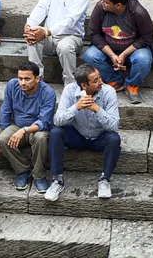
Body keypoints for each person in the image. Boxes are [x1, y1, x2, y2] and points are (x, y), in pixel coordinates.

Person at [46, 64, 120, 202]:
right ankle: (57, 180)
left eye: (99, 78)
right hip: (77, 136)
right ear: (84, 85)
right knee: (56, 133)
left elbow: (114, 125)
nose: (101, 82)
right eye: (96, 81)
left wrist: (97, 109)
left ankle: (105, 179)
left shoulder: (109, 92)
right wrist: (76, 107)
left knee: (114, 139)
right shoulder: (69, 90)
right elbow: (57, 120)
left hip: (100, 137)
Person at [84, 0, 153, 104]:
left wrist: (123, 54)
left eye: (107, 2)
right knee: (90, 56)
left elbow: (147, 38)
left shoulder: (138, 13)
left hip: (133, 50)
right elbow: (94, 34)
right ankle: (116, 80)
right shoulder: (100, 8)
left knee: (143, 59)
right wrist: (112, 55)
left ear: (118, 5)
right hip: (108, 48)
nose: (102, 3)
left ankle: (132, 85)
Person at [25, 0, 91, 86]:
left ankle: (71, 84)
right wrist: (30, 24)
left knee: (65, 46)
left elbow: (71, 20)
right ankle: (36, 79)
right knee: (32, 35)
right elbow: (42, 7)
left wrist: (47, 32)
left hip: (71, 37)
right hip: (49, 36)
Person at [0, 61, 56, 193]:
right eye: (20, 78)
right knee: (3, 139)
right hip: (17, 125)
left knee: (40, 138)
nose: (23, 82)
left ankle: (39, 175)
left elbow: (44, 121)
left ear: (37, 79)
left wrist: (24, 130)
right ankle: (22, 170)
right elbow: (5, 110)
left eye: (27, 79)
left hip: (37, 129)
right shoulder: (12, 85)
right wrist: (3, 133)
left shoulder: (48, 92)